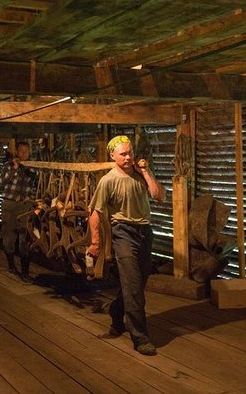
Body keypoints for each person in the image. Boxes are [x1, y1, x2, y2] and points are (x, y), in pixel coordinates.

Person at [86, 135, 166, 356]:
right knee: (133, 287)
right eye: (123, 154)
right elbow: (95, 213)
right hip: (123, 233)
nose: (128, 157)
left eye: (130, 153)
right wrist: (95, 243)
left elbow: (159, 196)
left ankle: (116, 309)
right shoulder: (108, 181)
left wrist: (146, 172)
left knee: (137, 284)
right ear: (112, 155)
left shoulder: (141, 175)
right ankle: (140, 337)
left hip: (145, 232)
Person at [0, 140, 36, 282]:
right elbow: (2, 182)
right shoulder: (8, 166)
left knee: (25, 237)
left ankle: (25, 273)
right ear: (16, 152)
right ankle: (11, 265)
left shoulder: (32, 167)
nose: (24, 154)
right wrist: (14, 169)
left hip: (25, 204)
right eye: (21, 151)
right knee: (9, 235)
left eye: (26, 151)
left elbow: (35, 180)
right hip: (10, 204)